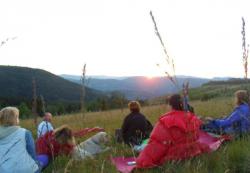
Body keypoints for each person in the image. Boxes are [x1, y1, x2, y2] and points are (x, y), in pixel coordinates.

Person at [135, 94, 206, 168]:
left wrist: (143, 160)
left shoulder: (166, 121)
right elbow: (196, 136)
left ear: (170, 105)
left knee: (142, 147)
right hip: (192, 151)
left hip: (175, 155)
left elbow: (157, 143)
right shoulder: (192, 118)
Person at [36, 125, 109, 168]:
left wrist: (93, 129)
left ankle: (101, 149)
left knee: (102, 135)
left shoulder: (61, 135)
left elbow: (78, 133)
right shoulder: (45, 145)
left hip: (76, 151)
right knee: (88, 156)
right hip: (75, 152)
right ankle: (102, 151)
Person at [0, 107, 40, 173]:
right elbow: (32, 154)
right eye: (17, 117)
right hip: (27, 170)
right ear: (15, 119)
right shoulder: (25, 133)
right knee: (39, 163)